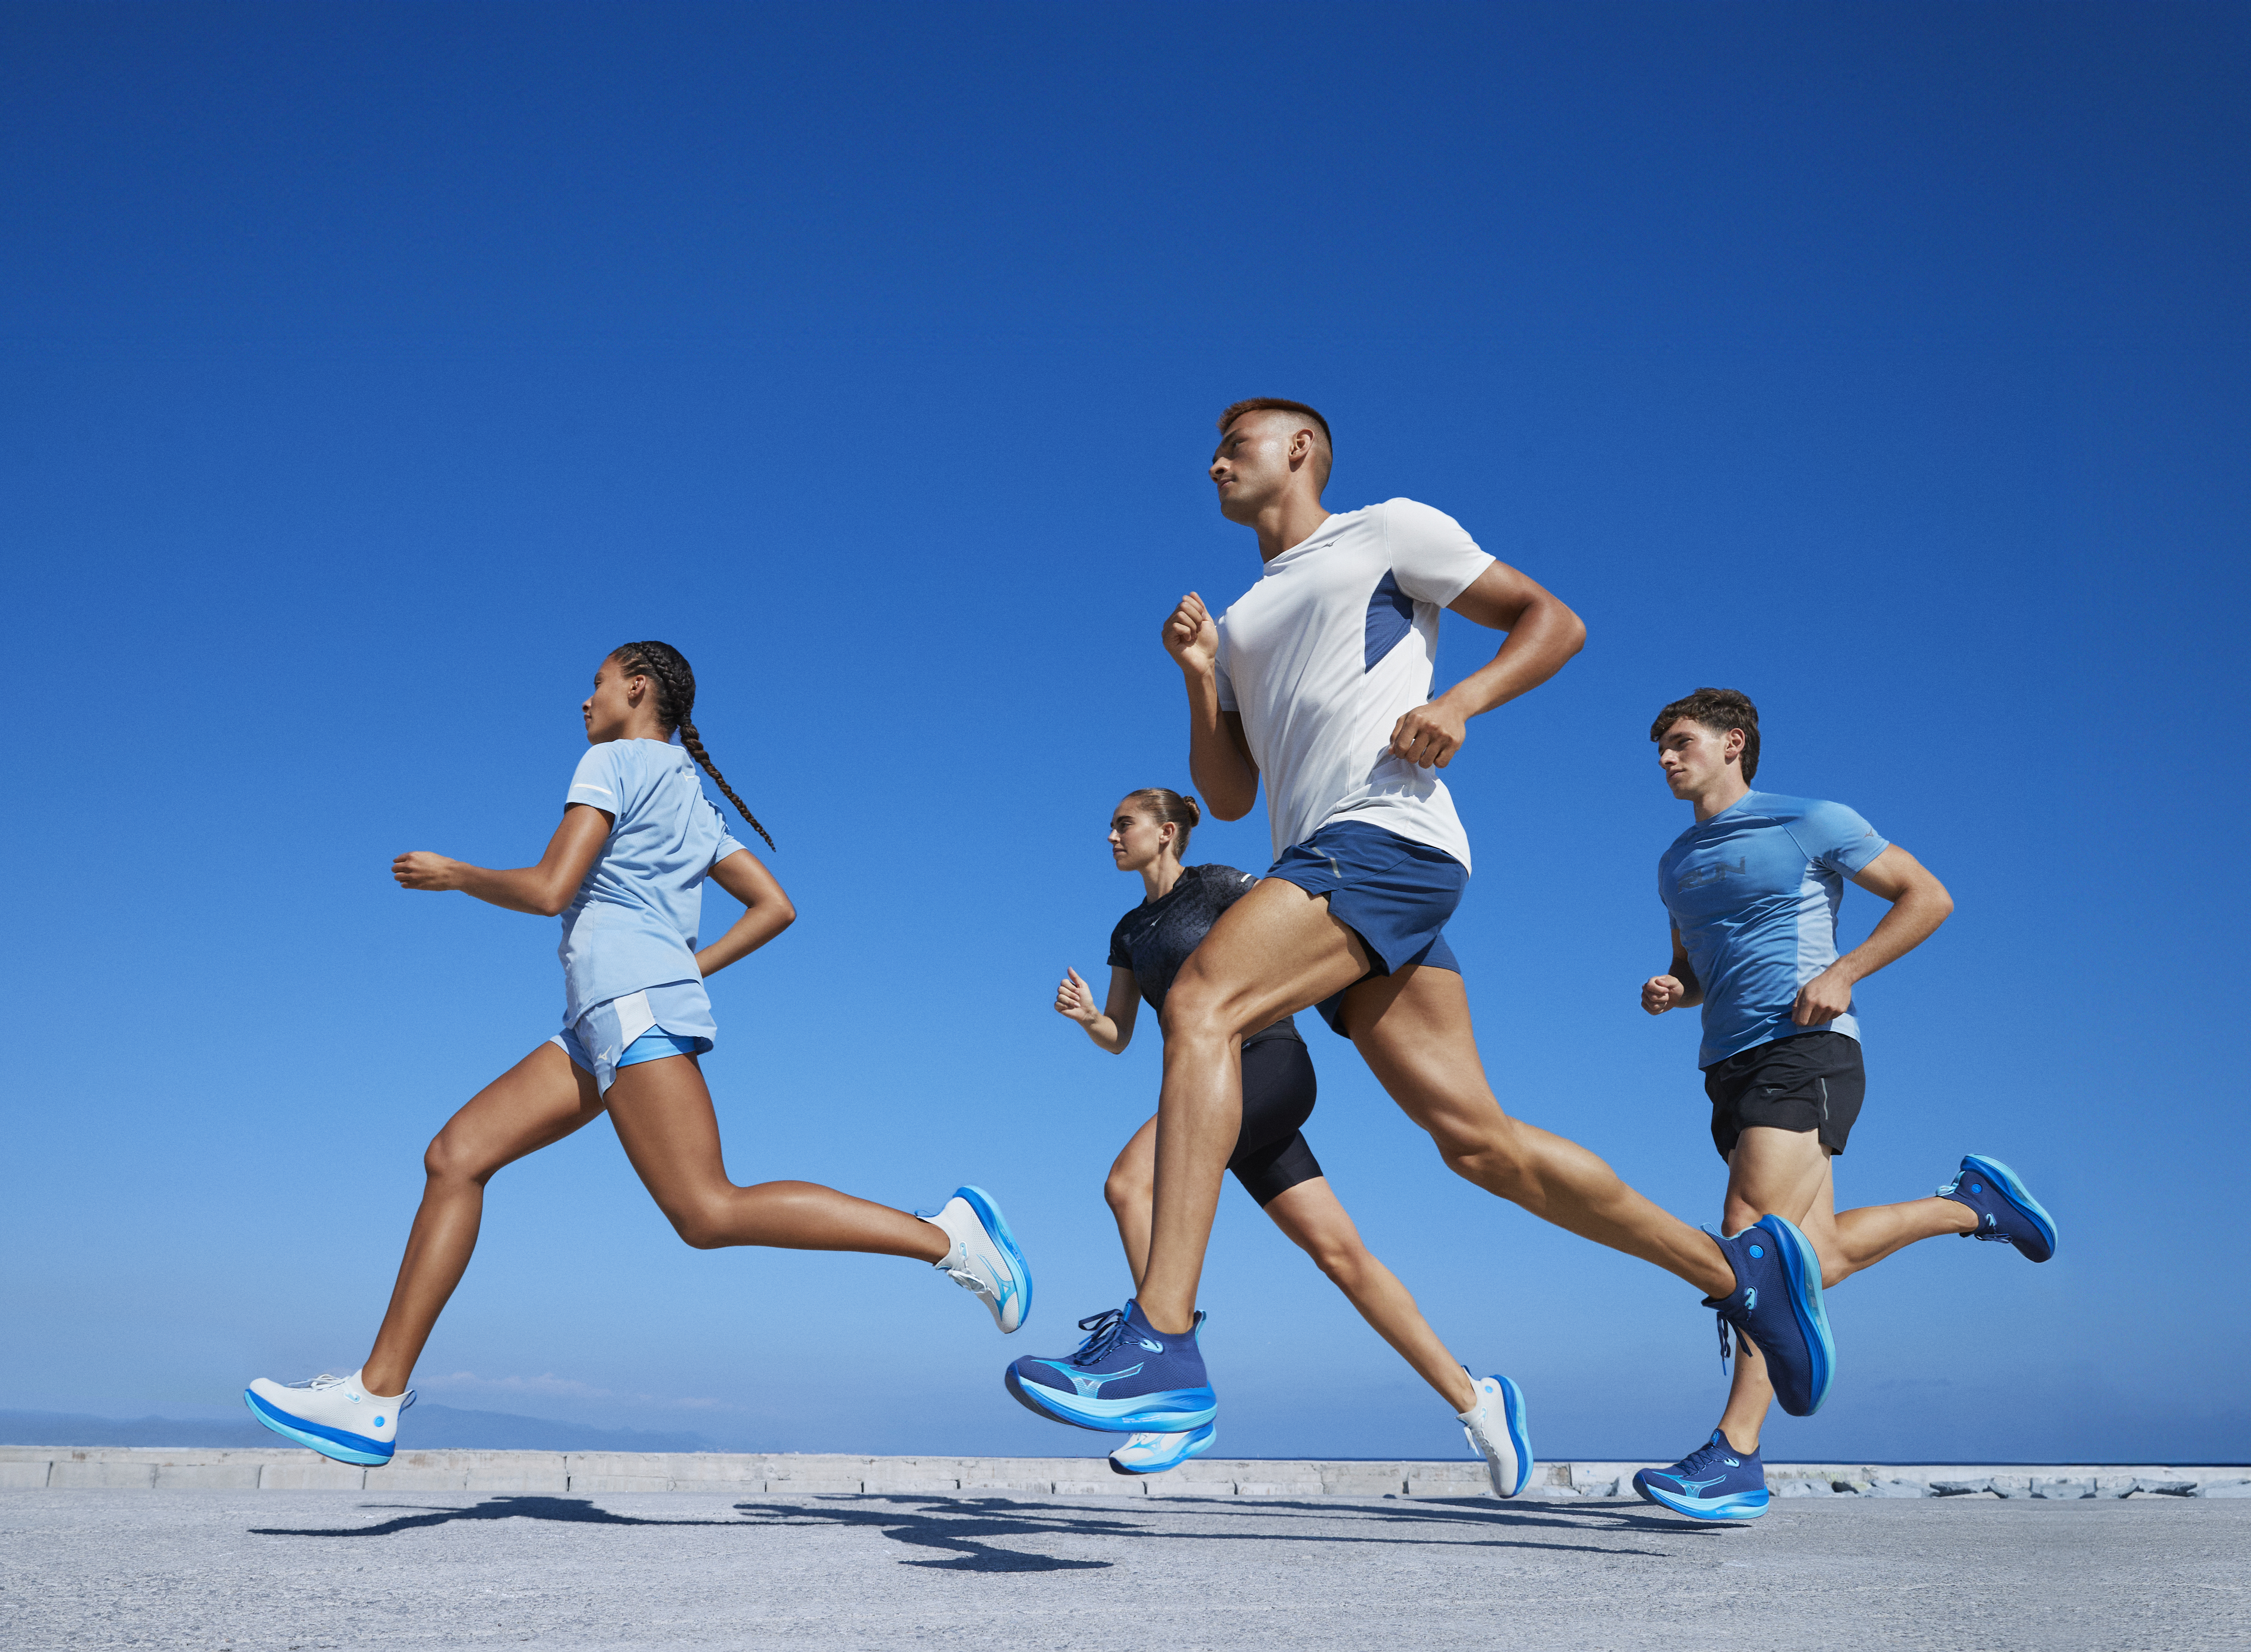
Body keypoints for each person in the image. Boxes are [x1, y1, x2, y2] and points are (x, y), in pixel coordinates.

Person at [1008, 399, 1834, 1445]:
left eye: (1236, 445)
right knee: (1479, 1146)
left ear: (1300, 450)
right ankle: (1736, 1270)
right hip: (1327, 868)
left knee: (1204, 1001)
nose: (1214, 463)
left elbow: (1552, 620)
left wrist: (1461, 702)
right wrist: (1200, 674)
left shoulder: (1386, 530)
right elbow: (1222, 792)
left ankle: (1163, 1340)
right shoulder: (1247, 613)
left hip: (1386, 839)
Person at [244, 640, 1030, 1466]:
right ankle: (375, 1397)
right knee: (456, 1156)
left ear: (637, 689)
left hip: (625, 1007)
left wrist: (458, 874)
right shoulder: (686, 790)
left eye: (596, 685)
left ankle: (948, 1238)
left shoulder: (614, 762)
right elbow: (775, 906)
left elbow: (551, 887)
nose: (584, 702)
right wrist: (684, 963)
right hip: (599, 1018)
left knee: (708, 1209)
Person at [1627, 689, 2057, 1521]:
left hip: (1808, 1048)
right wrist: (1672, 988)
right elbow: (1698, 970)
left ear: (1733, 744)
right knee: (1811, 1258)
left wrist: (1844, 971)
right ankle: (1972, 1206)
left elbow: (1926, 895)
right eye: (1658, 747)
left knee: (1755, 1243)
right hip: (1725, 1064)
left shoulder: (1808, 818)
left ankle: (1736, 1454)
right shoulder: (1674, 863)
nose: (1664, 758)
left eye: (1679, 741)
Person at [1035, 787, 1529, 1492]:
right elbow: (1120, 1037)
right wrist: (1089, 1017)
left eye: (1123, 824)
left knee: (1128, 1182)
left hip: (1266, 1065)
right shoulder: (1128, 931)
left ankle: (1167, 1368)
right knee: (1341, 1254)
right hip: (1210, 1097)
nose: (1111, 836)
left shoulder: (1220, 886)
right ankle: (1475, 1399)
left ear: (1167, 832)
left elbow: (1303, 936)